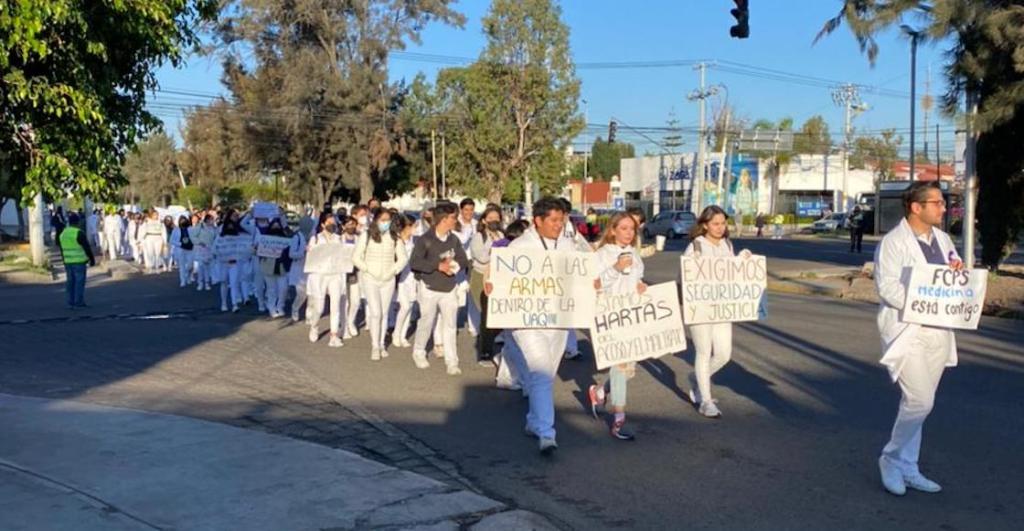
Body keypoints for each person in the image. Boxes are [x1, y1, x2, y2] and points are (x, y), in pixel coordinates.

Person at [874, 181, 962, 497]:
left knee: (920, 405)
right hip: (907, 330)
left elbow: (952, 278)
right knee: (920, 400)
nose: (943, 207)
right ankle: (890, 457)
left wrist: (958, 276)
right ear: (916, 207)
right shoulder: (893, 243)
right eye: (937, 202)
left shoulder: (943, 239)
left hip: (939, 330)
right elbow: (888, 288)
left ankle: (909, 467)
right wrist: (923, 302)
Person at [485, 197, 581, 455]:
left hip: (558, 320)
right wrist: (492, 285)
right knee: (539, 373)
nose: (558, 225)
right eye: (553, 220)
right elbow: (499, 277)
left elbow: (581, 276)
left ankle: (534, 422)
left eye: (561, 220)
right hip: (527, 322)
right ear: (538, 221)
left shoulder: (569, 246)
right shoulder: (520, 246)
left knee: (547, 374)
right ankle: (547, 434)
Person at [683, 205, 752, 419]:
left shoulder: (727, 244)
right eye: (715, 224)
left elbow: (732, 274)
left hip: (722, 307)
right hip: (700, 308)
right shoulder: (695, 247)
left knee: (723, 354)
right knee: (703, 352)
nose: (720, 228)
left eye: (723, 223)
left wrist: (743, 261)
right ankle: (705, 400)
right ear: (704, 225)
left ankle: (697, 379)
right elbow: (685, 278)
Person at [588, 212, 647, 440]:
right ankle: (619, 420)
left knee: (627, 370)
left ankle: (600, 392)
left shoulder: (635, 254)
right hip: (608, 317)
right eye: (623, 228)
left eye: (632, 229)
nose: (629, 233)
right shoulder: (603, 254)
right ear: (613, 230)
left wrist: (640, 286)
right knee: (621, 366)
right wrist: (615, 267)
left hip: (630, 316)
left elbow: (637, 280)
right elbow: (596, 284)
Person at [409, 202, 470, 375]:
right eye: (453, 217)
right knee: (426, 322)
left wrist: (455, 266)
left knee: (450, 326)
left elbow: (463, 259)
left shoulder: (454, 239)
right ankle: (419, 351)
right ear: (443, 219)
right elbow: (415, 262)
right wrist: (437, 265)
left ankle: (452, 361)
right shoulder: (425, 240)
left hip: (449, 288)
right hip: (428, 287)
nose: (455, 220)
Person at [353, 208, 409, 361]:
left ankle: (382, 343)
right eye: (382, 220)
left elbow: (403, 258)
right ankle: (374, 346)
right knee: (375, 312)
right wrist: (367, 269)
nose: (385, 223)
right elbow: (356, 257)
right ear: (376, 220)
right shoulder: (367, 235)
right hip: (370, 278)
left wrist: (393, 271)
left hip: (388, 279)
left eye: (388, 220)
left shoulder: (395, 237)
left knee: (384, 313)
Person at [490, 220, 530, 392]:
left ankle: (513, 374)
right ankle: (506, 377)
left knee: (515, 342)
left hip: (516, 299)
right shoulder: (507, 251)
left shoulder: (500, 247)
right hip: (510, 300)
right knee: (513, 342)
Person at [306, 212, 347, 348]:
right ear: (323, 224)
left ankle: (334, 336)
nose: (332, 225)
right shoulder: (316, 239)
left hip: (335, 274)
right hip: (319, 275)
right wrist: (310, 250)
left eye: (334, 223)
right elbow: (311, 255)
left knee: (335, 305)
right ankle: (314, 325)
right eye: (329, 223)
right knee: (320, 307)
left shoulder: (339, 238)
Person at [469, 205, 504, 364]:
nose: (494, 221)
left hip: (498, 278)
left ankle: (495, 345)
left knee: (499, 316)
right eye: (490, 219)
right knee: (486, 317)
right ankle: (485, 352)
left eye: (496, 218)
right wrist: (495, 247)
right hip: (482, 277)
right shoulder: (478, 237)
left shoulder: (501, 234)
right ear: (484, 220)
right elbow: (482, 258)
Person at [391, 215, 419, 348]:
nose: (415, 228)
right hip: (401, 278)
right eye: (413, 226)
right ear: (406, 227)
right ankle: (396, 333)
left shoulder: (414, 240)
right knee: (405, 306)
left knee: (410, 306)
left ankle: (403, 335)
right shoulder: (396, 240)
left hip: (412, 277)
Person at [58, 212, 96, 309]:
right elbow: (87, 247)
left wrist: (64, 260)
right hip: (79, 262)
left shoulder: (63, 233)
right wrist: (92, 259)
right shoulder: (79, 233)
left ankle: (70, 302)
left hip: (68, 262)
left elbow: (62, 249)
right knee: (79, 282)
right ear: (77, 222)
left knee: (70, 283)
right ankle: (78, 302)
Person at [213, 216, 250, 312]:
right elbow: (214, 249)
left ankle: (235, 304)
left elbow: (243, 248)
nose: (230, 228)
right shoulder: (220, 237)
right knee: (224, 283)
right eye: (228, 226)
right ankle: (224, 303)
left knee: (234, 283)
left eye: (232, 226)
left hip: (235, 264)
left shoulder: (239, 237)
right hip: (223, 264)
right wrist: (222, 255)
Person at [258, 218, 292, 318]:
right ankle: (272, 307)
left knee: (283, 288)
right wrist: (255, 248)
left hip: (282, 267)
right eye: (274, 225)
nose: (276, 227)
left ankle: (280, 306)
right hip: (268, 267)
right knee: (271, 289)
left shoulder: (286, 238)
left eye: (278, 225)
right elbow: (256, 251)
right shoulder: (264, 238)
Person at [340, 215, 363, 338]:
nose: (351, 227)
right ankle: (344, 327)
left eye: (353, 224)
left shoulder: (360, 239)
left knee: (356, 301)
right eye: (348, 224)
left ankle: (351, 322)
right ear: (343, 226)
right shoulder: (338, 240)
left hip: (355, 273)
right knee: (345, 301)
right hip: (342, 273)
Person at [170, 216, 195, 288]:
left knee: (190, 265)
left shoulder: (191, 229)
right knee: (182, 266)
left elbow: (195, 237)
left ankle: (187, 275)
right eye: (181, 220)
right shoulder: (176, 230)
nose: (183, 222)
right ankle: (183, 280)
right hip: (180, 249)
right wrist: (180, 244)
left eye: (184, 220)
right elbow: (171, 240)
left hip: (190, 249)